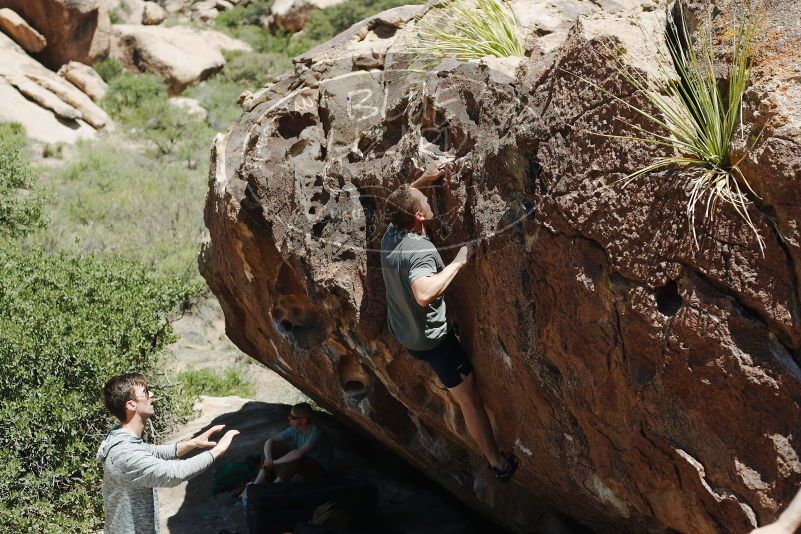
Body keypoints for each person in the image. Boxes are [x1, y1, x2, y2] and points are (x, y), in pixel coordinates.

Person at [379, 161, 518, 481]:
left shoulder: (391, 233)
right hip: (433, 343)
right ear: (418, 217)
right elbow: (424, 293)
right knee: (468, 397)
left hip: (404, 333)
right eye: (424, 203)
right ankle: (498, 463)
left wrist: (426, 179)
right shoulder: (418, 250)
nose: (428, 202)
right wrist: (458, 261)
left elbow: (406, 198)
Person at [96, 372, 239, 533]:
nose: (152, 395)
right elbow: (174, 474)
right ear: (131, 405)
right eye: (145, 392)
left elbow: (153, 452)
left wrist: (193, 443)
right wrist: (217, 451)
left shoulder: (120, 437)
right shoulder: (124, 452)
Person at [254, 402, 330, 484]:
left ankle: (274, 487)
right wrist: (268, 458)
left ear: (304, 420)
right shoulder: (295, 429)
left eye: (293, 417)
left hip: (319, 468)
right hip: (303, 462)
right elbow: (269, 441)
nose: (289, 418)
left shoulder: (317, 432)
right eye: (289, 415)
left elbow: (298, 454)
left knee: (294, 458)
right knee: (273, 447)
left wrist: (274, 462)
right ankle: (257, 482)